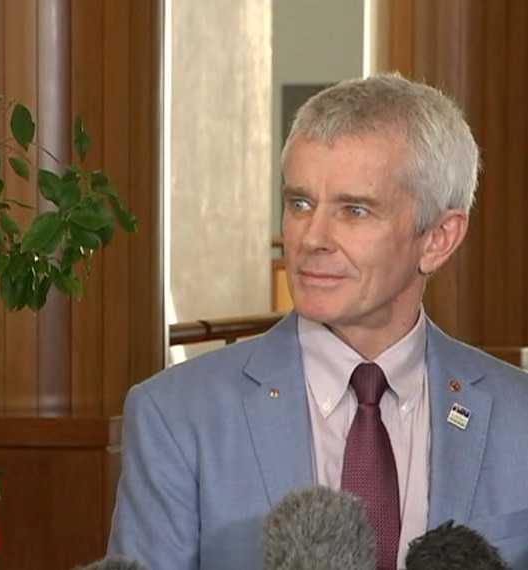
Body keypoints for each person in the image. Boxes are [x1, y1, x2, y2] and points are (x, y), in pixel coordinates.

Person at [107, 73, 528, 570]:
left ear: (438, 238)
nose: (312, 238)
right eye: (300, 203)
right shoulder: (177, 415)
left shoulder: (517, 417)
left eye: (354, 210)